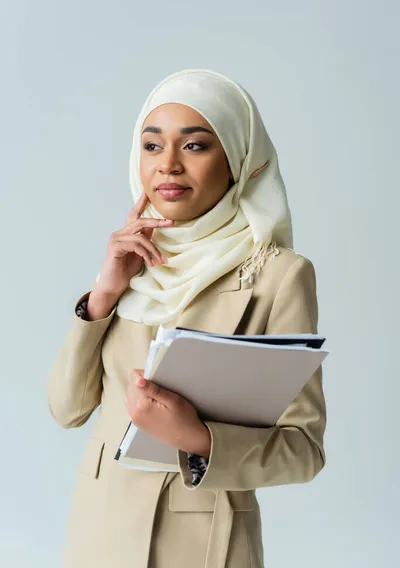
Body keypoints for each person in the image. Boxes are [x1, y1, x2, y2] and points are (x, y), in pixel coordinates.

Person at [47, 68, 327, 568]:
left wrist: (198, 441)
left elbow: (304, 450)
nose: (168, 166)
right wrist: (103, 294)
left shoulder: (278, 275)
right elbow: (67, 409)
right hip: (100, 535)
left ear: (239, 158)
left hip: (206, 543)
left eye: (195, 146)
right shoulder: (130, 264)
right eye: (152, 146)